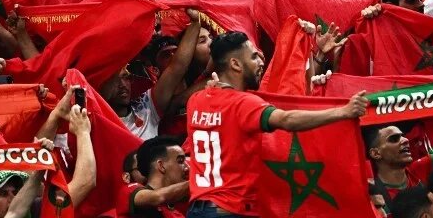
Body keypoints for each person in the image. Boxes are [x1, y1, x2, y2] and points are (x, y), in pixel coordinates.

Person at [186, 31, 367, 217]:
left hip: (197, 209)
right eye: (254, 57)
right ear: (235, 64)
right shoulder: (243, 103)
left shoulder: (195, 101)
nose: (261, 62)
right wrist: (344, 112)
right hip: (230, 210)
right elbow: (286, 120)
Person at [120, 136, 190, 217]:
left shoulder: (177, 213)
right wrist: (197, 182)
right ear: (161, 166)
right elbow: (157, 197)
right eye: (180, 161)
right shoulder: (129, 191)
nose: (187, 168)